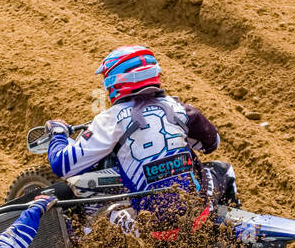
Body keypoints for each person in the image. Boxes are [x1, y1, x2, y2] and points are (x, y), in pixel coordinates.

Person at [45, 45, 235, 232]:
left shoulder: (109, 120)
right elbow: (212, 143)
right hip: (199, 215)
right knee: (223, 170)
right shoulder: (181, 109)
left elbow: (62, 164)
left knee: (101, 215)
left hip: (153, 227)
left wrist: (58, 133)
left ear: (115, 82)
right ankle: (229, 227)